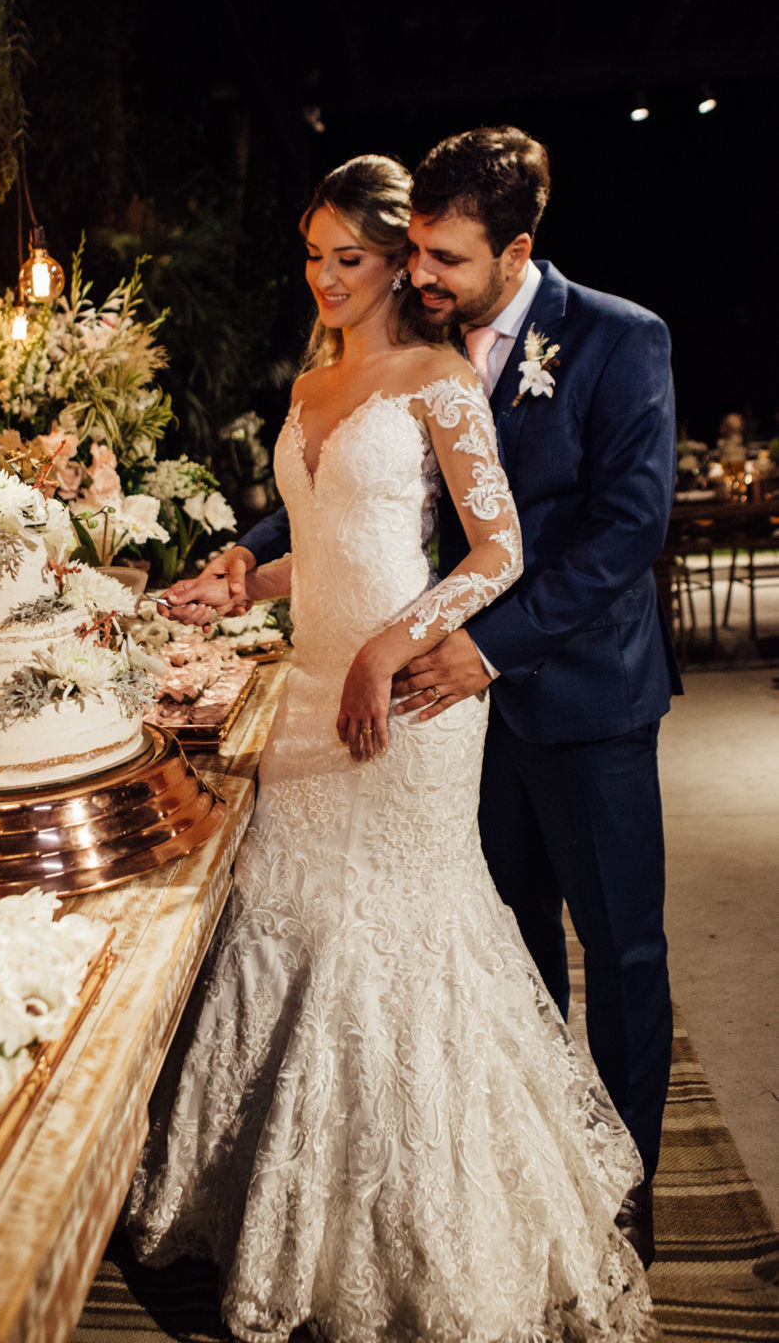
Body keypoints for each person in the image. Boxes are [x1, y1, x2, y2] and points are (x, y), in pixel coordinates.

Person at [127, 154, 656, 1343]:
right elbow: (316, 549)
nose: (324, 277)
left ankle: (441, 1231)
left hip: (406, 699)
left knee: (400, 941)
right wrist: (235, 581)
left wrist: (382, 650)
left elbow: (494, 556)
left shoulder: (438, 380)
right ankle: (291, 1205)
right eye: (312, 256)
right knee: (289, 927)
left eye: (347, 258)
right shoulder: (314, 389)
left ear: (395, 265)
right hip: (309, 693)